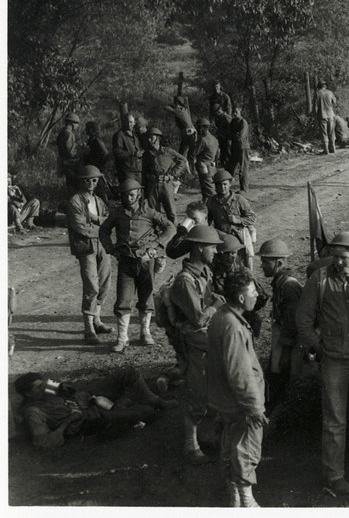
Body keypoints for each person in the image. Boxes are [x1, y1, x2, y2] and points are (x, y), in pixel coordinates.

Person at [295, 231, 349, 495]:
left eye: (344, 258)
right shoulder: (319, 279)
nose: (339, 263)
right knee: (335, 418)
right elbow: (303, 320)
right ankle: (334, 474)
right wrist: (318, 347)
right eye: (335, 257)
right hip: (334, 359)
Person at [206, 270, 267, 507]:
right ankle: (246, 501)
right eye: (253, 292)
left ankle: (235, 499)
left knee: (230, 445)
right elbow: (239, 373)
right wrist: (254, 407)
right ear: (241, 298)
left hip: (226, 400)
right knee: (246, 449)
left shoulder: (221, 317)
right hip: (240, 403)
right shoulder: (233, 326)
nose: (256, 296)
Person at [168, 225, 225, 465]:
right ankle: (190, 446)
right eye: (212, 247)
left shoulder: (204, 272)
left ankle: (207, 434)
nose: (215, 251)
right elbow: (198, 317)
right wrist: (216, 306)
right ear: (200, 248)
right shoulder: (185, 281)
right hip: (194, 341)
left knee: (213, 388)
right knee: (198, 391)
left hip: (206, 338)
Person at [99, 178, 176, 353]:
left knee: (146, 298)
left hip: (146, 263)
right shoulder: (117, 213)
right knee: (123, 300)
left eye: (132, 194)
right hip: (126, 262)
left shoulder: (149, 213)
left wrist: (155, 246)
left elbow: (170, 228)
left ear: (139, 194)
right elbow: (103, 231)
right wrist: (111, 249)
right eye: (125, 195)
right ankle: (122, 338)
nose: (128, 198)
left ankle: (145, 332)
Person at [14, 368, 175, 448]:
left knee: (130, 373)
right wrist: (70, 419)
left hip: (88, 397)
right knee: (147, 411)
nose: (44, 388)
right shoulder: (33, 412)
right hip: (89, 419)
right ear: (27, 394)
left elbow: (63, 387)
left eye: (43, 384)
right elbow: (44, 441)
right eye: (38, 387)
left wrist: (63, 387)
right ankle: (128, 406)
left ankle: (154, 400)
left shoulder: (44, 389)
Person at [254, 239, 305, 412]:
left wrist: (284, 352)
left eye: (266, 262)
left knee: (281, 377)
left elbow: (293, 322)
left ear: (279, 263)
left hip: (288, 342)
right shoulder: (280, 282)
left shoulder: (288, 286)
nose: (262, 266)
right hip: (283, 338)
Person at [67, 165, 113, 345]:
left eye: (94, 180)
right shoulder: (75, 202)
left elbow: (109, 219)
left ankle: (97, 320)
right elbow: (81, 228)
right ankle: (89, 327)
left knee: (105, 283)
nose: (92, 183)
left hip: (102, 245)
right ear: (81, 181)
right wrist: (101, 225)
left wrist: (97, 220)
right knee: (91, 286)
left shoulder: (98, 200)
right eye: (88, 180)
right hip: (86, 247)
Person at [206, 169, 257, 270]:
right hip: (222, 239)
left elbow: (252, 218)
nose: (222, 187)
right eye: (219, 185)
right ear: (215, 186)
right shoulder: (211, 202)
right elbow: (208, 220)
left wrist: (238, 220)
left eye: (225, 184)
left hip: (239, 238)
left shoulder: (239, 200)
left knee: (243, 266)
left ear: (230, 184)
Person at [141, 127, 188, 224]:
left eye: (151, 137)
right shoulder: (146, 154)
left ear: (158, 138)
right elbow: (143, 172)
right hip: (152, 185)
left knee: (171, 211)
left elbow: (183, 160)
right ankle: (156, 233)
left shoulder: (168, 152)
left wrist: (172, 175)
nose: (149, 140)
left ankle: (174, 233)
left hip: (166, 184)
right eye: (148, 137)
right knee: (153, 212)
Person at [82, 121, 111, 202]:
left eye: (87, 129)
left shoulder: (97, 140)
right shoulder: (91, 140)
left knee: (100, 190)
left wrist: (98, 166)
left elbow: (105, 154)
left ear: (92, 130)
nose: (85, 130)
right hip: (92, 169)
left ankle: (105, 208)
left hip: (95, 170)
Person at [111, 113, 143, 186]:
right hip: (127, 171)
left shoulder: (135, 135)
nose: (129, 124)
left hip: (138, 170)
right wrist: (133, 154)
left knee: (138, 193)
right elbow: (117, 152)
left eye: (131, 122)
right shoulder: (119, 135)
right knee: (129, 192)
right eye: (127, 122)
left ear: (134, 123)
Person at [193, 118, 220, 200]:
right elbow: (217, 154)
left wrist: (193, 141)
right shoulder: (214, 139)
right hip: (212, 167)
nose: (198, 130)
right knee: (207, 191)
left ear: (201, 128)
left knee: (209, 192)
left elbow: (194, 153)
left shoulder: (203, 140)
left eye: (198, 128)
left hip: (204, 167)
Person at [56, 113, 82, 195]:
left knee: (70, 185)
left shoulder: (62, 132)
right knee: (74, 185)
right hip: (69, 163)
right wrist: (80, 151)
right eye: (77, 123)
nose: (77, 126)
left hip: (63, 162)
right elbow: (70, 152)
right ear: (71, 123)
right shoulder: (69, 134)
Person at [226, 106, 250, 192]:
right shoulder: (233, 122)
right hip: (235, 147)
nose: (234, 113)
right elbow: (228, 134)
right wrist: (233, 135)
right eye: (233, 112)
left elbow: (240, 136)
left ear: (240, 111)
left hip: (243, 148)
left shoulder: (243, 122)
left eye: (236, 112)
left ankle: (244, 188)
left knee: (243, 168)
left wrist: (233, 135)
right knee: (230, 167)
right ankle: (226, 187)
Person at [313, 80, 338, 155]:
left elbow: (315, 106)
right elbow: (334, 102)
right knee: (331, 132)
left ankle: (326, 149)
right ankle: (333, 148)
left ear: (319, 86)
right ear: (325, 86)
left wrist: (315, 114)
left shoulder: (317, 93)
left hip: (322, 115)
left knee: (324, 133)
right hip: (330, 114)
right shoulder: (330, 92)